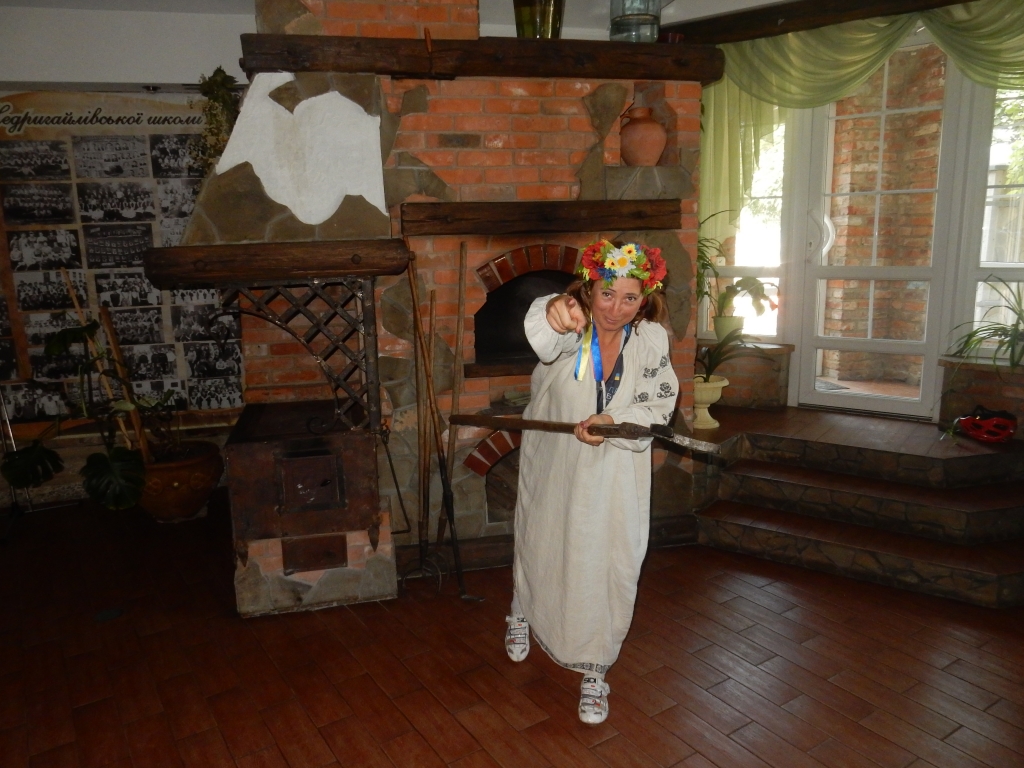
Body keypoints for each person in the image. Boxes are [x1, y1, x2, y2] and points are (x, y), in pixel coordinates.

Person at [507, 239, 676, 725]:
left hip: (614, 475)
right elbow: (548, 331)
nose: (615, 309)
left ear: (645, 298)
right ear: (589, 289)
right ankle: (521, 610)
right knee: (540, 541)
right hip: (555, 463)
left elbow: (659, 405)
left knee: (607, 564)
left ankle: (595, 670)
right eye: (607, 294)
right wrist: (554, 310)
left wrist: (613, 420)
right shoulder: (573, 324)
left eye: (630, 298)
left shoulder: (651, 341)